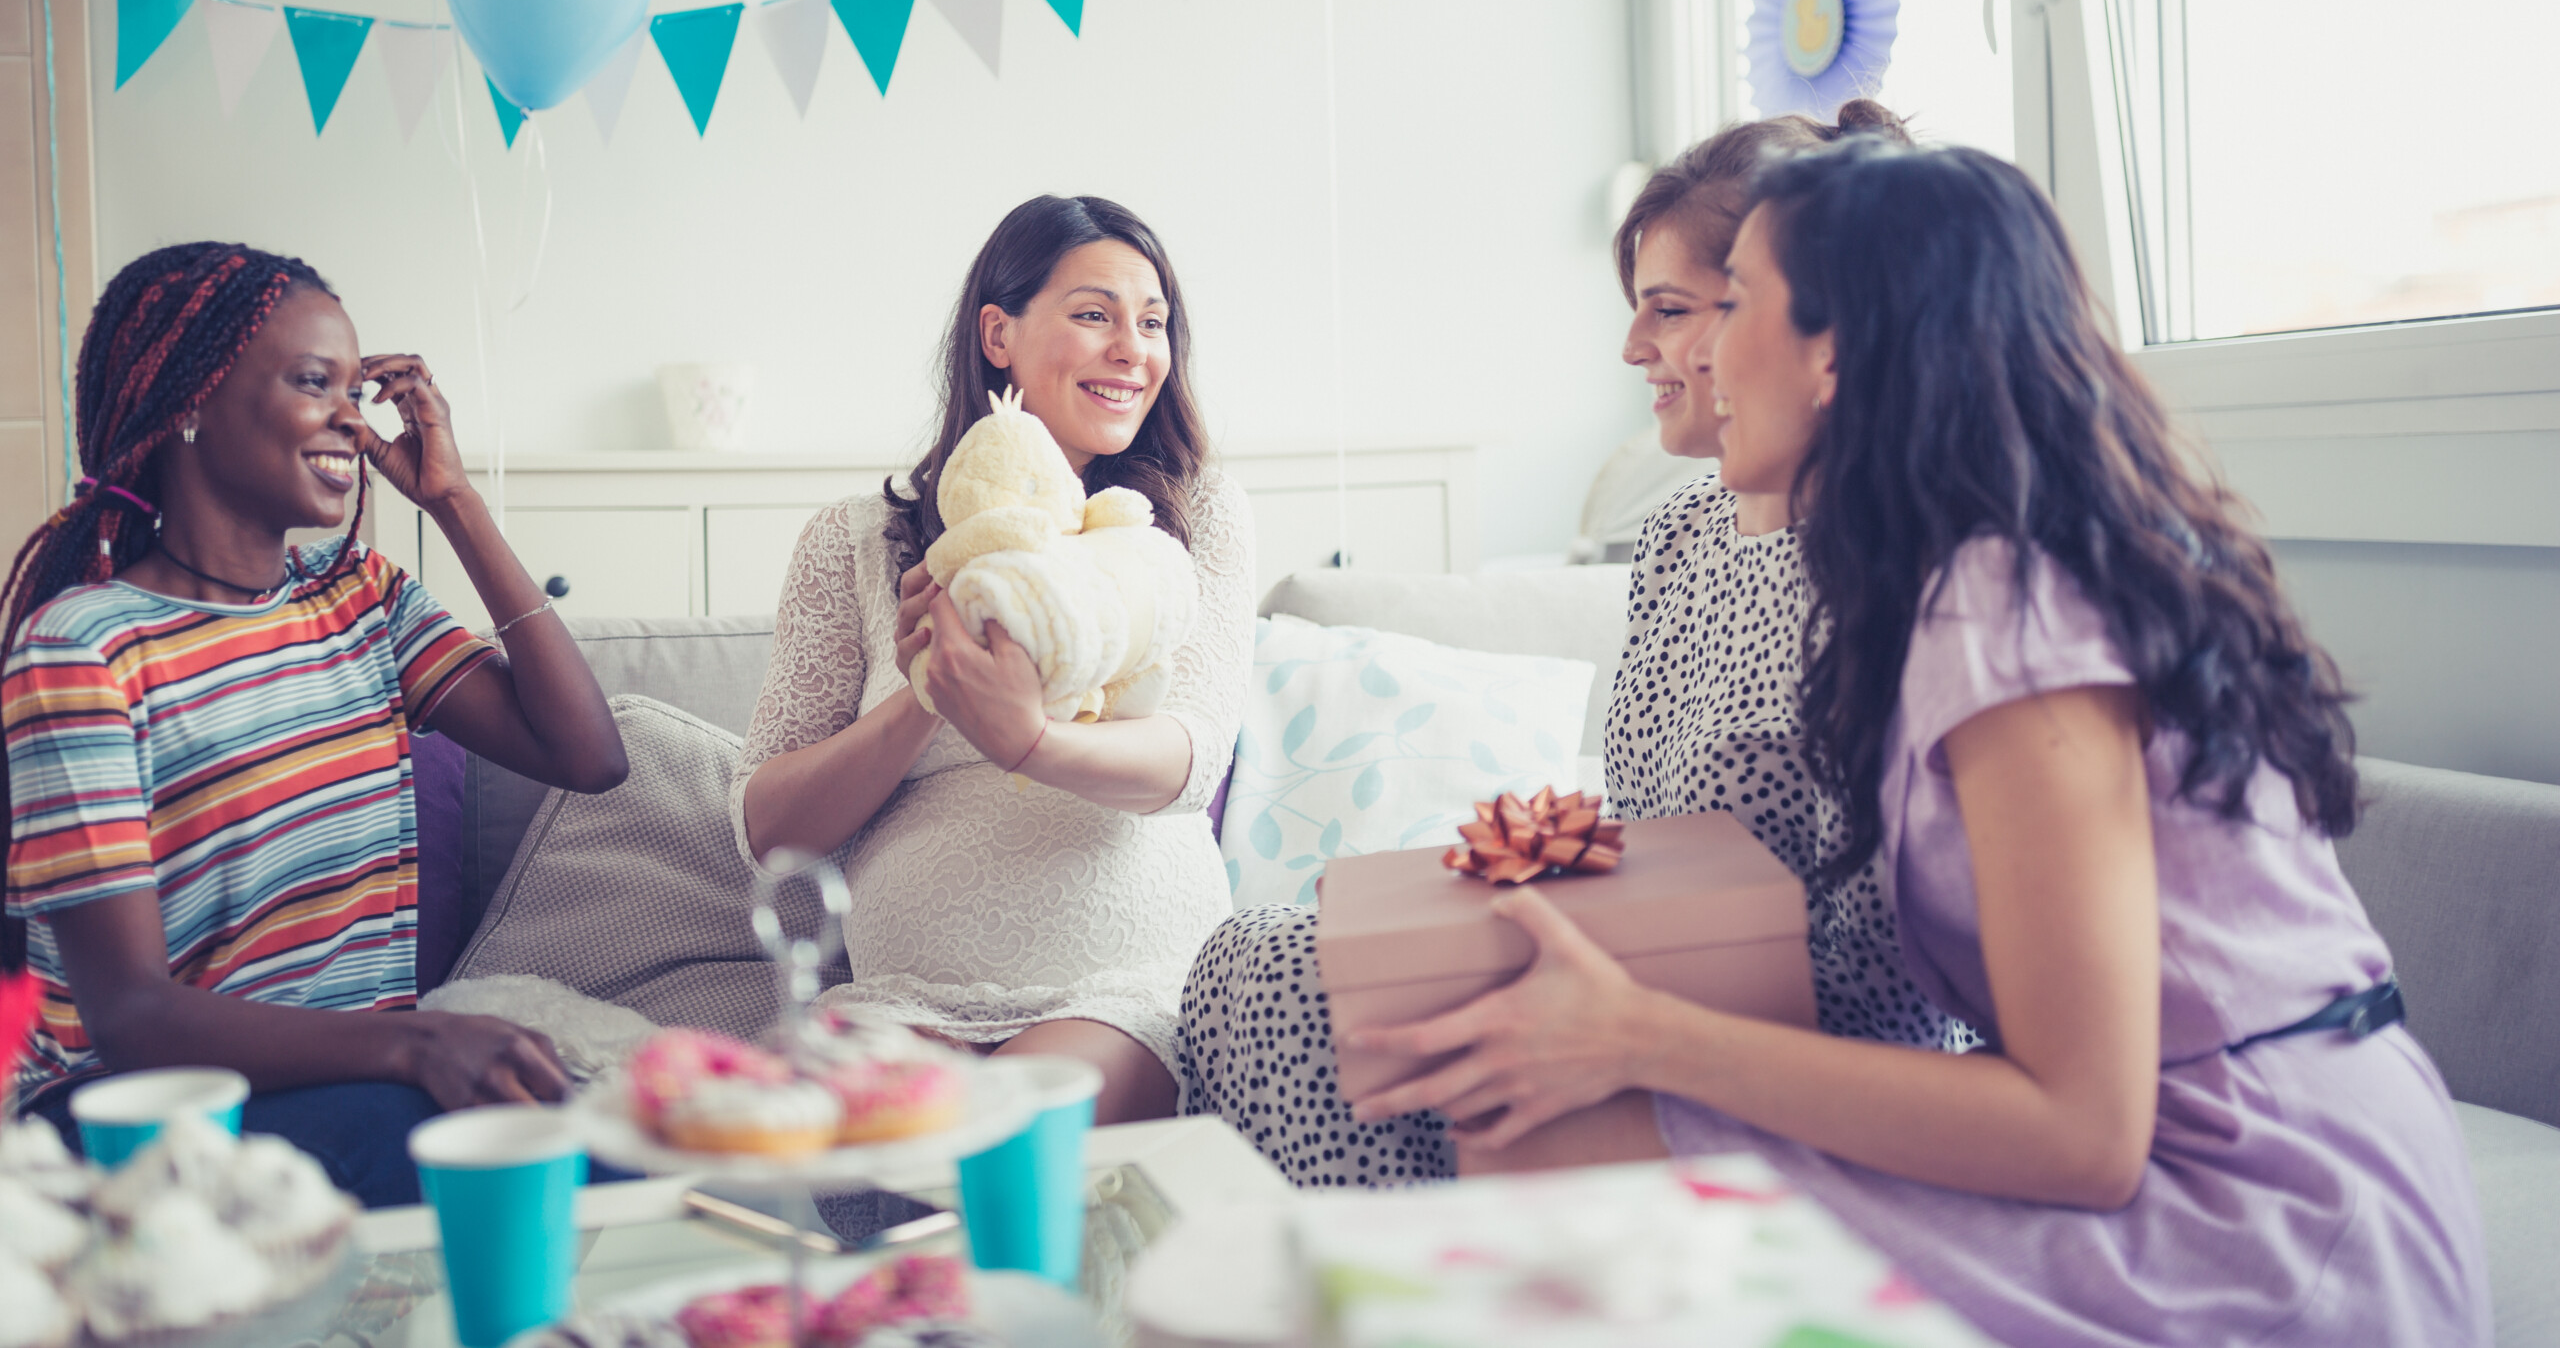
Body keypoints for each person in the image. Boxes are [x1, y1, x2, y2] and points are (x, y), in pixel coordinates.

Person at [1347, 141, 2488, 1344]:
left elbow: (2083, 1134)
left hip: (2253, 1203)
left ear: (1834, 354)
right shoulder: (1930, 583)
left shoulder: (2008, 607)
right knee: (1539, 1121)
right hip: (2168, 1145)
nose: (1696, 352)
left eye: (1735, 303)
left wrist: (1642, 1034)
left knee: (1567, 1127)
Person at [1178, 101, 1971, 1189]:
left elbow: (1897, 951)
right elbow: (1651, 841)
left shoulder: (1913, 573)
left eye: (1671, 308)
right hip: (1650, 975)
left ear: (1806, 318)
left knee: (1292, 988)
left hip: (1797, 1046)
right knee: (1264, 956)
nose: (1633, 347)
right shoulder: (1681, 536)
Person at [3, 242, 628, 1206]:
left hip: (355, 1088)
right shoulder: (81, 648)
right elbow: (128, 1015)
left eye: (355, 386)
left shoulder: (358, 598)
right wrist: (419, 1040)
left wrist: (453, 500)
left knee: (623, 1166)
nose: (351, 414)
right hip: (139, 1114)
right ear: (190, 404)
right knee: (525, 1175)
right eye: (311, 381)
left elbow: (586, 756)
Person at [733, 195, 1251, 1125]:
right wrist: (931, 691)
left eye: (1154, 321)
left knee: (1009, 1132)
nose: (1134, 348)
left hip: (1118, 986)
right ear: (998, 333)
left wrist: (1028, 738)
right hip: (901, 1001)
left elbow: (1190, 759)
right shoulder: (853, 544)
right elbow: (770, 830)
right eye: (1095, 314)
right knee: (802, 1136)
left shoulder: (1186, 519)